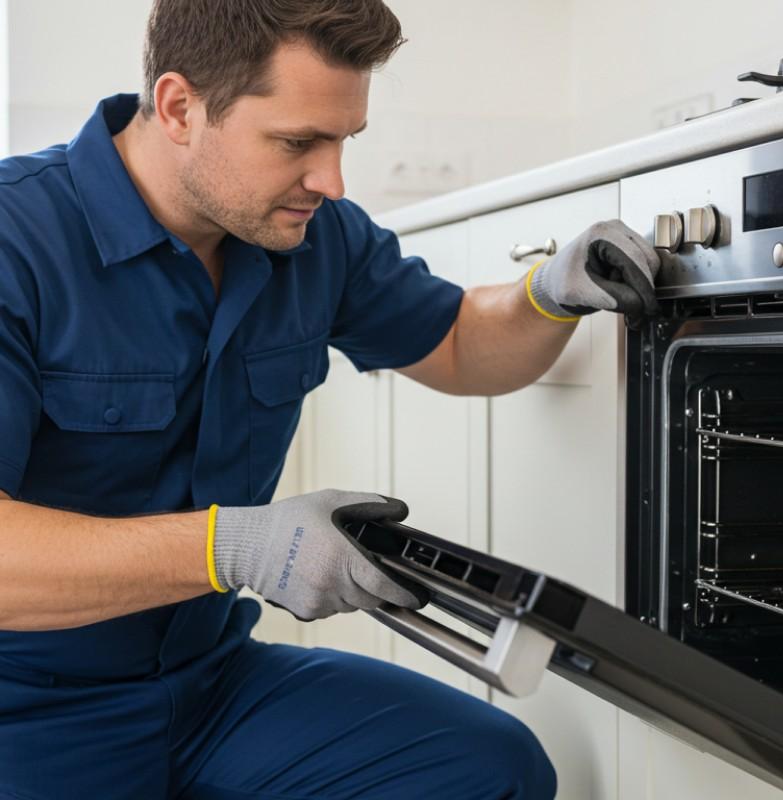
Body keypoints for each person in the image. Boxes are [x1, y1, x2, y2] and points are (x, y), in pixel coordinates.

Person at [0, 1, 660, 797]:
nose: (333, 180)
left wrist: (550, 293)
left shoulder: (316, 236)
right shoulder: (17, 241)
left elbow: (456, 341)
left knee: (490, 768)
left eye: (344, 139)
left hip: (211, 686)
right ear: (179, 107)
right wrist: (236, 547)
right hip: (27, 709)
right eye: (297, 142)